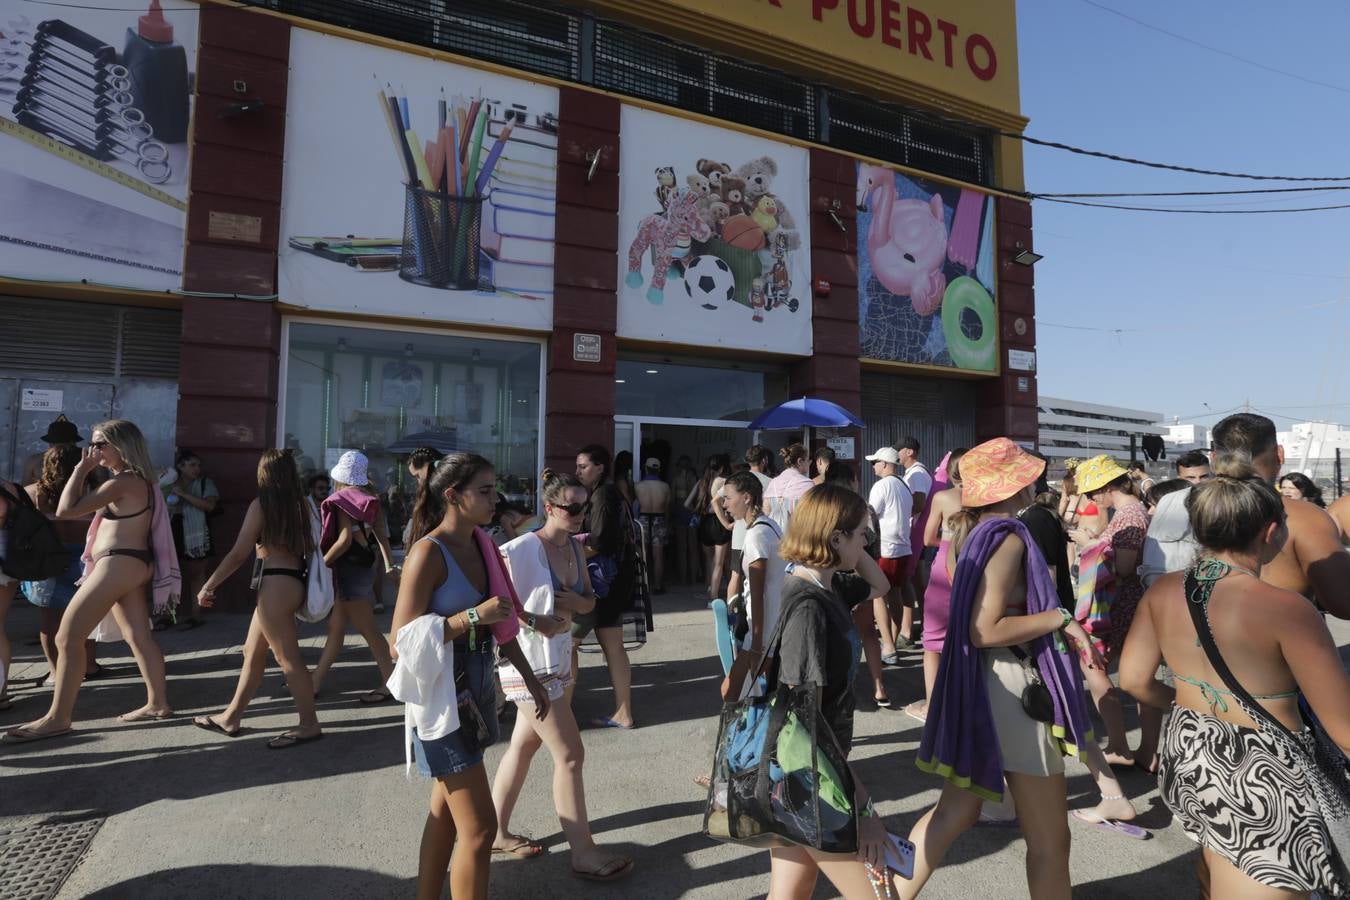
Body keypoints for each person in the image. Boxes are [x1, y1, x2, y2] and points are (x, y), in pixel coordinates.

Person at [1121, 459, 1350, 899]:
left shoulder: (1164, 590)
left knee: (1223, 868)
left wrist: (1190, 704)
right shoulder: (1286, 608)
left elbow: (1133, 680)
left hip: (1190, 750)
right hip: (1263, 771)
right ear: (1271, 532)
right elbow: (1344, 728)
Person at [904, 438, 1104, 900]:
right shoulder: (1008, 536)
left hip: (984, 685)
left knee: (953, 814)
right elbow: (984, 628)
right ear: (1016, 484)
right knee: (1051, 839)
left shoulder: (969, 532)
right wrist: (1060, 619)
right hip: (1013, 688)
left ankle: (883, 892)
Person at [389, 452, 550, 900]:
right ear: (452, 495)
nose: (494, 498)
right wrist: (468, 618)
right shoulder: (428, 552)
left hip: (477, 686)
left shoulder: (481, 541)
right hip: (442, 696)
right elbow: (398, 640)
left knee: (446, 810)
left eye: (494, 488)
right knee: (480, 830)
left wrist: (530, 678)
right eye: (484, 490)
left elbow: (501, 620)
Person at [750, 484, 899, 899]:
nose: (867, 541)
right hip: (809, 779)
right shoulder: (809, 607)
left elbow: (880, 585)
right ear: (835, 538)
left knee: (791, 892)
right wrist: (864, 807)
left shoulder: (828, 587)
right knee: (878, 896)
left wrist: (844, 543)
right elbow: (806, 723)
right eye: (861, 534)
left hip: (803, 775)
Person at [492, 470, 634, 882]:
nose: (579, 515)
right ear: (549, 507)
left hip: (559, 664)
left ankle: (495, 831)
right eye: (572, 507)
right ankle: (584, 853)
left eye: (584, 507)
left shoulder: (575, 546)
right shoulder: (518, 549)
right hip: (527, 667)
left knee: (522, 747)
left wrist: (576, 601)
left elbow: (591, 603)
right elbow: (496, 605)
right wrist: (537, 620)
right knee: (571, 755)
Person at [7, 420, 178, 743]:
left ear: (122, 446)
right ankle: (158, 703)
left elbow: (65, 509)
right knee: (139, 637)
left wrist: (79, 471)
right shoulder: (136, 480)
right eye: (94, 444)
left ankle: (59, 717)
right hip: (130, 562)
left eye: (101, 445)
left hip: (117, 563)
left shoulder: (122, 482)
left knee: (67, 638)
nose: (93, 450)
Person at [1140, 413, 1350, 620]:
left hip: (1193, 640)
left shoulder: (1179, 504)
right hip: (1282, 644)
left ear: (1213, 459)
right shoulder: (1304, 517)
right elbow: (1343, 604)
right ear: (1280, 454)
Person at [193, 449, 322, 748]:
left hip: (274, 585)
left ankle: (309, 724)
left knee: (287, 658)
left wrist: (208, 586)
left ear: (264, 474)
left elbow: (239, 553)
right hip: (292, 582)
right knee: (252, 651)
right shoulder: (303, 504)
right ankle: (231, 716)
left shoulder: (262, 505)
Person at [1067, 455, 1160, 770]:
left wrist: (1088, 543)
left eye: (1094, 491)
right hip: (1127, 603)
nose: (1092, 498)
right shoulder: (1132, 511)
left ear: (1108, 487)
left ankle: (1121, 745)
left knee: (1095, 666)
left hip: (1119, 604)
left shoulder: (1130, 515)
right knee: (1138, 677)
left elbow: (1122, 567)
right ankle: (1144, 750)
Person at [312, 451, 397, 700]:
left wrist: (321, 564)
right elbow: (382, 536)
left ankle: (390, 682)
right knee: (336, 628)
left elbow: (344, 539)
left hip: (349, 571)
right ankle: (315, 680)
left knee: (368, 630)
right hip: (364, 567)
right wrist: (390, 565)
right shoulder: (371, 499)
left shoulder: (341, 500)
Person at [21, 446, 100, 687]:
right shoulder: (93, 491)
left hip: (48, 560)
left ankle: (56, 672)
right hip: (85, 559)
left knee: (50, 621)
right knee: (86, 618)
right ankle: (89, 665)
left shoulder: (32, 493)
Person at [574, 444, 638, 730]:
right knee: (613, 647)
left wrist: (567, 555)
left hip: (602, 583)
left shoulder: (603, 495)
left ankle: (560, 714)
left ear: (600, 467)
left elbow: (599, 541)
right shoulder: (607, 493)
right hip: (615, 581)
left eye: (583, 466)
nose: (578, 471)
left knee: (566, 644)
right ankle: (623, 712)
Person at [905, 448, 967, 723]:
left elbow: (928, 538)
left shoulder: (943, 498)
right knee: (968, 636)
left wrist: (951, 539)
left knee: (933, 641)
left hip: (945, 567)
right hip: (977, 566)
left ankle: (932, 705)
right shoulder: (986, 501)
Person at [864, 446, 913, 669]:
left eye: (875, 462)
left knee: (878, 595)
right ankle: (892, 642)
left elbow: (870, 516)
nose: (873, 466)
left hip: (884, 547)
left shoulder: (881, 486)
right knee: (895, 593)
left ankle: (889, 646)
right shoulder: (904, 485)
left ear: (884, 463)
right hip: (903, 546)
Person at [165, 449, 219, 630]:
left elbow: (209, 505)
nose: (197, 469)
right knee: (169, 574)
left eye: (198, 465)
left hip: (196, 532)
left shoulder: (204, 483)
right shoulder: (168, 482)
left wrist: (183, 495)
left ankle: (196, 615)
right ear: (180, 466)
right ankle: (168, 616)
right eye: (192, 465)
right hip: (171, 529)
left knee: (196, 574)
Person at [896, 436, 932, 651]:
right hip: (917, 534)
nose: (896, 454)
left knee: (908, 581)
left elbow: (918, 503)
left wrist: (896, 512)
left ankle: (907, 630)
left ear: (909, 451)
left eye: (899, 450)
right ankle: (926, 625)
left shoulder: (917, 474)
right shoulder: (916, 472)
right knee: (917, 582)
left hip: (915, 534)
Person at [688, 455, 732, 600]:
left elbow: (687, 503)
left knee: (708, 560)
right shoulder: (723, 481)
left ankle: (710, 590)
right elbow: (727, 502)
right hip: (719, 522)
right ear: (721, 468)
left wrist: (702, 510)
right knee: (719, 563)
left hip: (704, 522)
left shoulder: (702, 482)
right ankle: (714, 596)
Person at [633, 457, 670, 594]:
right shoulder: (665, 486)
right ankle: (658, 586)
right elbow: (667, 508)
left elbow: (634, 503)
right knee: (658, 555)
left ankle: (641, 585)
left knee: (641, 554)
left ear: (646, 468)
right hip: (659, 519)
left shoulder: (638, 485)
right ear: (659, 470)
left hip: (642, 518)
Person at [763, 443, 814, 531]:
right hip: (797, 537)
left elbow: (766, 511)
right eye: (808, 460)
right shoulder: (806, 484)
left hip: (775, 536)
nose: (810, 463)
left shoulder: (773, 482)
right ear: (800, 461)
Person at [670, 455, 699, 585]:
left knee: (681, 548)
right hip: (692, 511)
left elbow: (671, 499)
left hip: (679, 510)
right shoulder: (694, 479)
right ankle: (693, 579)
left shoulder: (676, 479)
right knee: (693, 548)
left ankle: (682, 579)